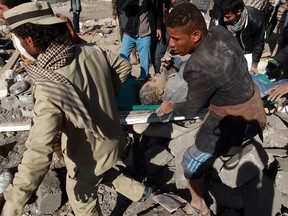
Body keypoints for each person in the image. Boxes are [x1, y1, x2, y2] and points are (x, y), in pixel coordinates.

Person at [2, 2, 152, 215]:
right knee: (102, 171)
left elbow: (38, 150)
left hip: (87, 153)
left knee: (81, 195)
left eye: (16, 38)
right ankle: (142, 193)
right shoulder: (88, 50)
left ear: (29, 40)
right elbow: (124, 66)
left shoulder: (49, 87)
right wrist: (106, 95)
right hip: (113, 138)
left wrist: (12, 205)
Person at [155, 3, 266, 215]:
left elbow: (190, 108)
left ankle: (199, 204)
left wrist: (170, 105)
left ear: (196, 35)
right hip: (251, 100)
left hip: (233, 117)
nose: (170, 44)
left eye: (176, 39)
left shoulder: (198, 67)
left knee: (189, 161)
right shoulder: (219, 31)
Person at [117, 0, 161, 80]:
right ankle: (126, 78)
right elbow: (121, 8)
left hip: (145, 33)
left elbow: (156, 12)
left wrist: (158, 27)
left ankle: (143, 79)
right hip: (129, 33)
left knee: (145, 60)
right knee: (123, 58)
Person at [220, 0, 265, 74]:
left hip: (247, 51)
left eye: (228, 17)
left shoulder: (256, 20)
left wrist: (254, 65)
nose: (224, 19)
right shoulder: (224, 17)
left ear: (238, 12)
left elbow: (259, 43)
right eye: (224, 16)